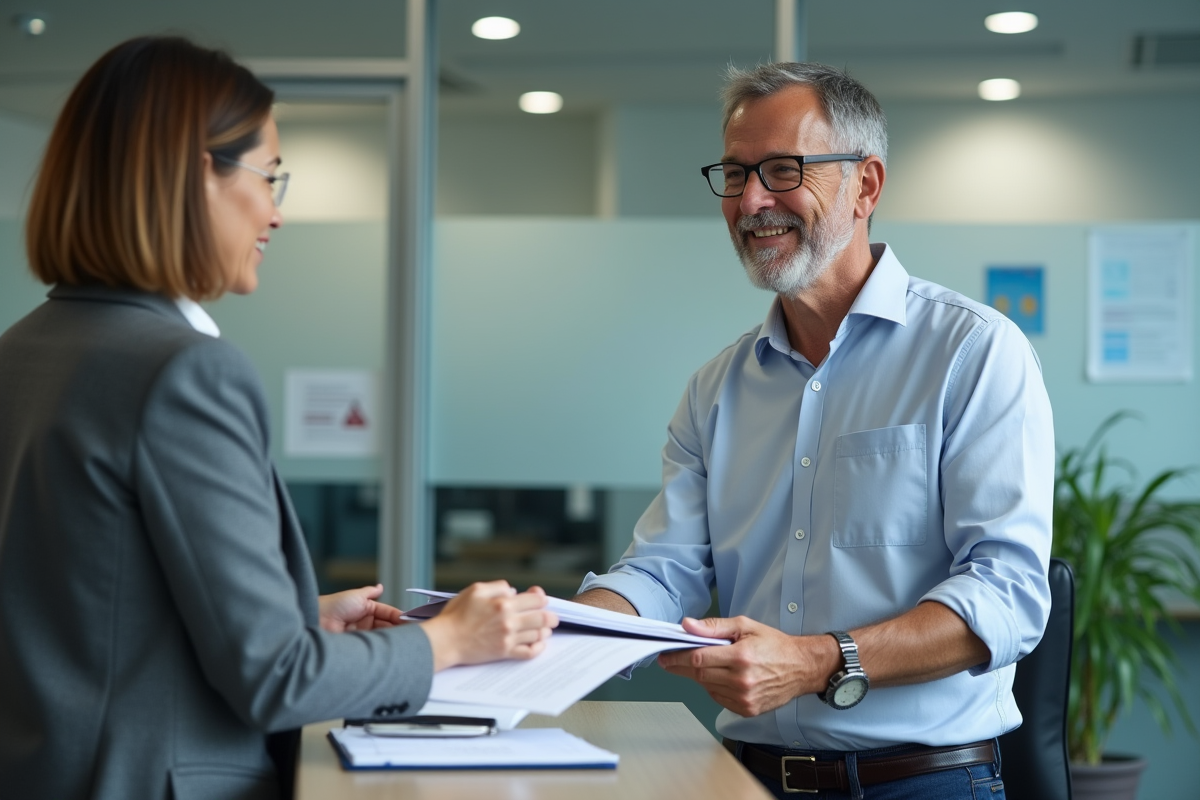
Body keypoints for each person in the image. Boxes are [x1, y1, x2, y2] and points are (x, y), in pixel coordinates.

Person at [0, 37, 556, 800]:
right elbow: (275, 682)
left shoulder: (24, 350)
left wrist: (300, 614)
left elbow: (89, 608)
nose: (277, 212)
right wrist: (450, 639)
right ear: (200, 174)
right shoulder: (183, 370)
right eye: (270, 176)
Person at [574, 62, 1053, 799]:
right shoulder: (717, 387)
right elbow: (665, 569)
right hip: (744, 777)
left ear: (866, 186)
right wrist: (557, 627)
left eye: (782, 170)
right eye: (735, 175)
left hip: (923, 783)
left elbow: (1009, 593)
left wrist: (820, 659)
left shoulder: (972, 352)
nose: (752, 201)